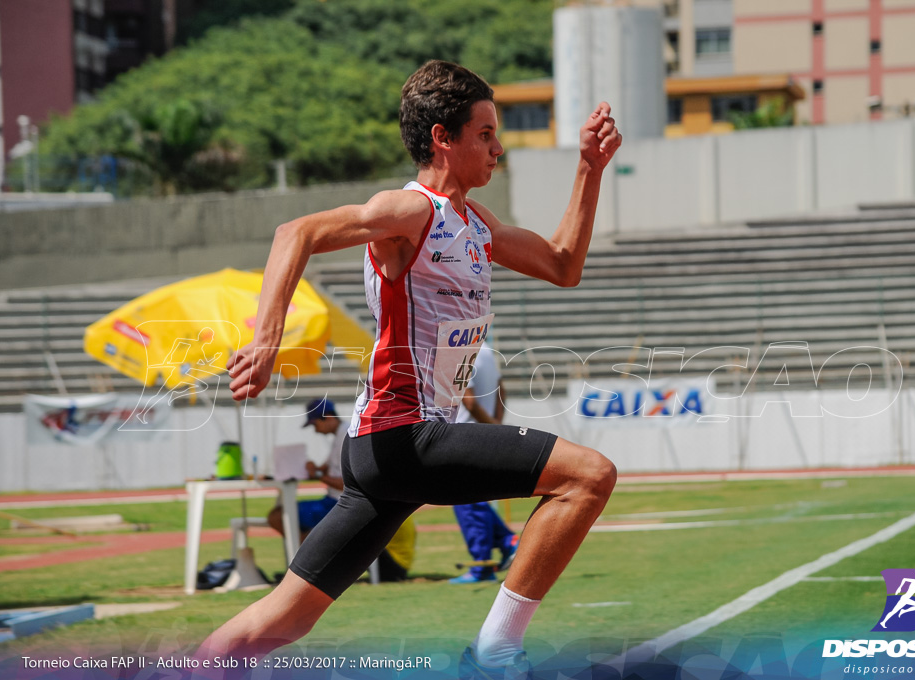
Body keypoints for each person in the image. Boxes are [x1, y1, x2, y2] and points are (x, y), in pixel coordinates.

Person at [198, 60, 621, 679]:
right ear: (442, 139)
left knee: (283, 618)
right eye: (485, 134)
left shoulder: (477, 226)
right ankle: (496, 653)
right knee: (589, 476)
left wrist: (589, 169)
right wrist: (265, 343)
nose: (497, 149)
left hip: (392, 449)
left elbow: (562, 265)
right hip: (403, 434)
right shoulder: (407, 212)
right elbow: (297, 232)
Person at [267, 398, 415, 582]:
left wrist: (319, 476)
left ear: (328, 417)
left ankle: (303, 569)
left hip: (341, 503)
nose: (315, 430)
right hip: (340, 502)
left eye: (315, 424)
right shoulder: (343, 434)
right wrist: (316, 469)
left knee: (279, 517)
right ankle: (305, 565)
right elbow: (332, 470)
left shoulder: (347, 435)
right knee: (289, 521)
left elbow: (352, 483)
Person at [451, 343, 520, 584]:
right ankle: (508, 541)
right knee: (473, 500)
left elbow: (468, 402)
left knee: (466, 502)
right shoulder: (487, 350)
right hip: (482, 435)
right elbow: (502, 388)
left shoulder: (459, 351)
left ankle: (482, 566)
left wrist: (491, 428)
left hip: (467, 436)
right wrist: (497, 424)